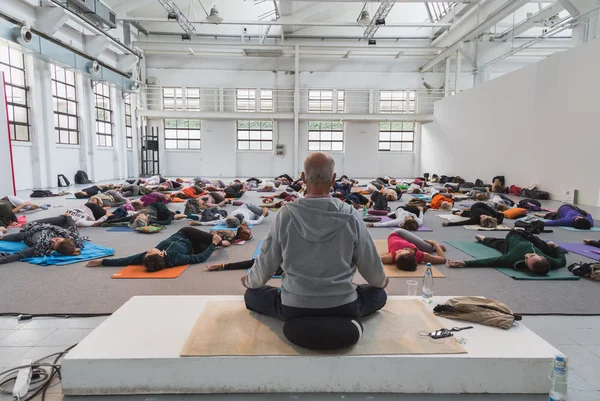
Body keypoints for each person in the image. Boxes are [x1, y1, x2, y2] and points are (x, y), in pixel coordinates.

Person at [241, 152, 388, 322]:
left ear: (303, 178)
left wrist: (250, 282)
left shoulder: (286, 215)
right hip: (343, 306)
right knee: (379, 294)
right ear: (333, 179)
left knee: (252, 294)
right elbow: (370, 263)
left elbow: (266, 262)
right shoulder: (350, 215)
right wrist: (381, 281)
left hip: (294, 307)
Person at [86, 227, 222, 272]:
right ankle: (222, 240)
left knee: (213, 239)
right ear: (161, 255)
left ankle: (222, 240)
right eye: (151, 251)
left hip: (185, 233)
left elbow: (126, 260)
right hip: (192, 245)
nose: (150, 249)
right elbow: (201, 258)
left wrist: (102, 262)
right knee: (215, 240)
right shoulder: (177, 258)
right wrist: (214, 244)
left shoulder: (146, 257)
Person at [447, 231, 567, 274]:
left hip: (511, 241)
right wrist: (556, 248)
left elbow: (490, 262)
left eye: (526, 260)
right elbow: (561, 261)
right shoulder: (547, 259)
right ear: (541, 257)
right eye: (531, 255)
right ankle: (548, 244)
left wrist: (464, 263)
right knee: (540, 243)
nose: (526, 256)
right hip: (519, 234)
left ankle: (485, 239)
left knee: (500, 245)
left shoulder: (511, 259)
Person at [0, 216, 84, 264]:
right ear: (65, 239)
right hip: (43, 226)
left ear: (54, 249)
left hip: (30, 230)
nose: (53, 240)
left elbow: (19, 255)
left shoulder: (42, 246)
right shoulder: (72, 237)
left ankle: (2, 237)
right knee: (63, 218)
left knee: (20, 236)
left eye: (54, 244)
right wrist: (68, 216)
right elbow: (71, 224)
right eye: (57, 239)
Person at [379, 228, 447, 271]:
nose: (396, 251)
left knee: (429, 248)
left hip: (397, 234)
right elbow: (443, 259)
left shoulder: (391, 257)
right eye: (400, 251)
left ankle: (433, 248)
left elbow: (373, 259)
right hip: (404, 238)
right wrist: (434, 243)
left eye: (397, 253)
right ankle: (434, 247)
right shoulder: (420, 255)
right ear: (410, 252)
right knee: (429, 248)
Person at [190, 203, 269, 227]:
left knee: (261, 211)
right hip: (252, 212)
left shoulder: (226, 220)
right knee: (266, 213)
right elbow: (258, 222)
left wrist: (199, 223)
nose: (227, 216)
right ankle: (262, 209)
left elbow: (214, 222)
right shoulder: (246, 221)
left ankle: (261, 208)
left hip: (246, 206)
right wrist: (264, 213)